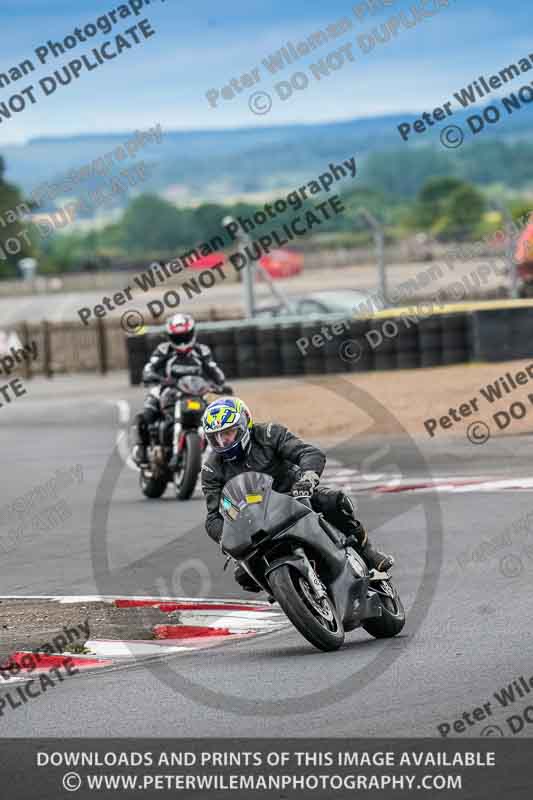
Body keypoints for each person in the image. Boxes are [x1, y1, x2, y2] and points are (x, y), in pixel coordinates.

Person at [200, 396, 394, 592]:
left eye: (228, 433)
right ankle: (287, 592)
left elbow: (309, 453)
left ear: (244, 425)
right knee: (243, 575)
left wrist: (307, 480)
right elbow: (213, 516)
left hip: (295, 497)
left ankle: (367, 552)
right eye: (215, 437)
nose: (222, 441)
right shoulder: (211, 468)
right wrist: (227, 537)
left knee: (335, 502)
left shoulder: (268, 434)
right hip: (254, 522)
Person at [131, 313, 231, 466]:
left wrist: (220, 385)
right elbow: (149, 368)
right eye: (178, 337)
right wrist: (153, 377)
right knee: (147, 412)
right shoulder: (164, 350)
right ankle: (141, 448)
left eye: (185, 336)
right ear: (170, 336)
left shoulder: (201, 351)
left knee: (217, 419)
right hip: (167, 389)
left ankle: (215, 458)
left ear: (192, 333)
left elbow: (215, 371)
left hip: (195, 392)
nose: (182, 341)